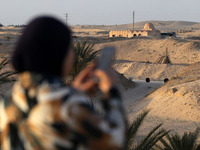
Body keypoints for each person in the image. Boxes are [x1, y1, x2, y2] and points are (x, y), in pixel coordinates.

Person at [0, 16, 126, 150]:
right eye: (69, 48)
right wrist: (111, 92)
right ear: (57, 53)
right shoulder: (69, 105)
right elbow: (115, 142)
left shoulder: (8, 101)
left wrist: (74, 91)